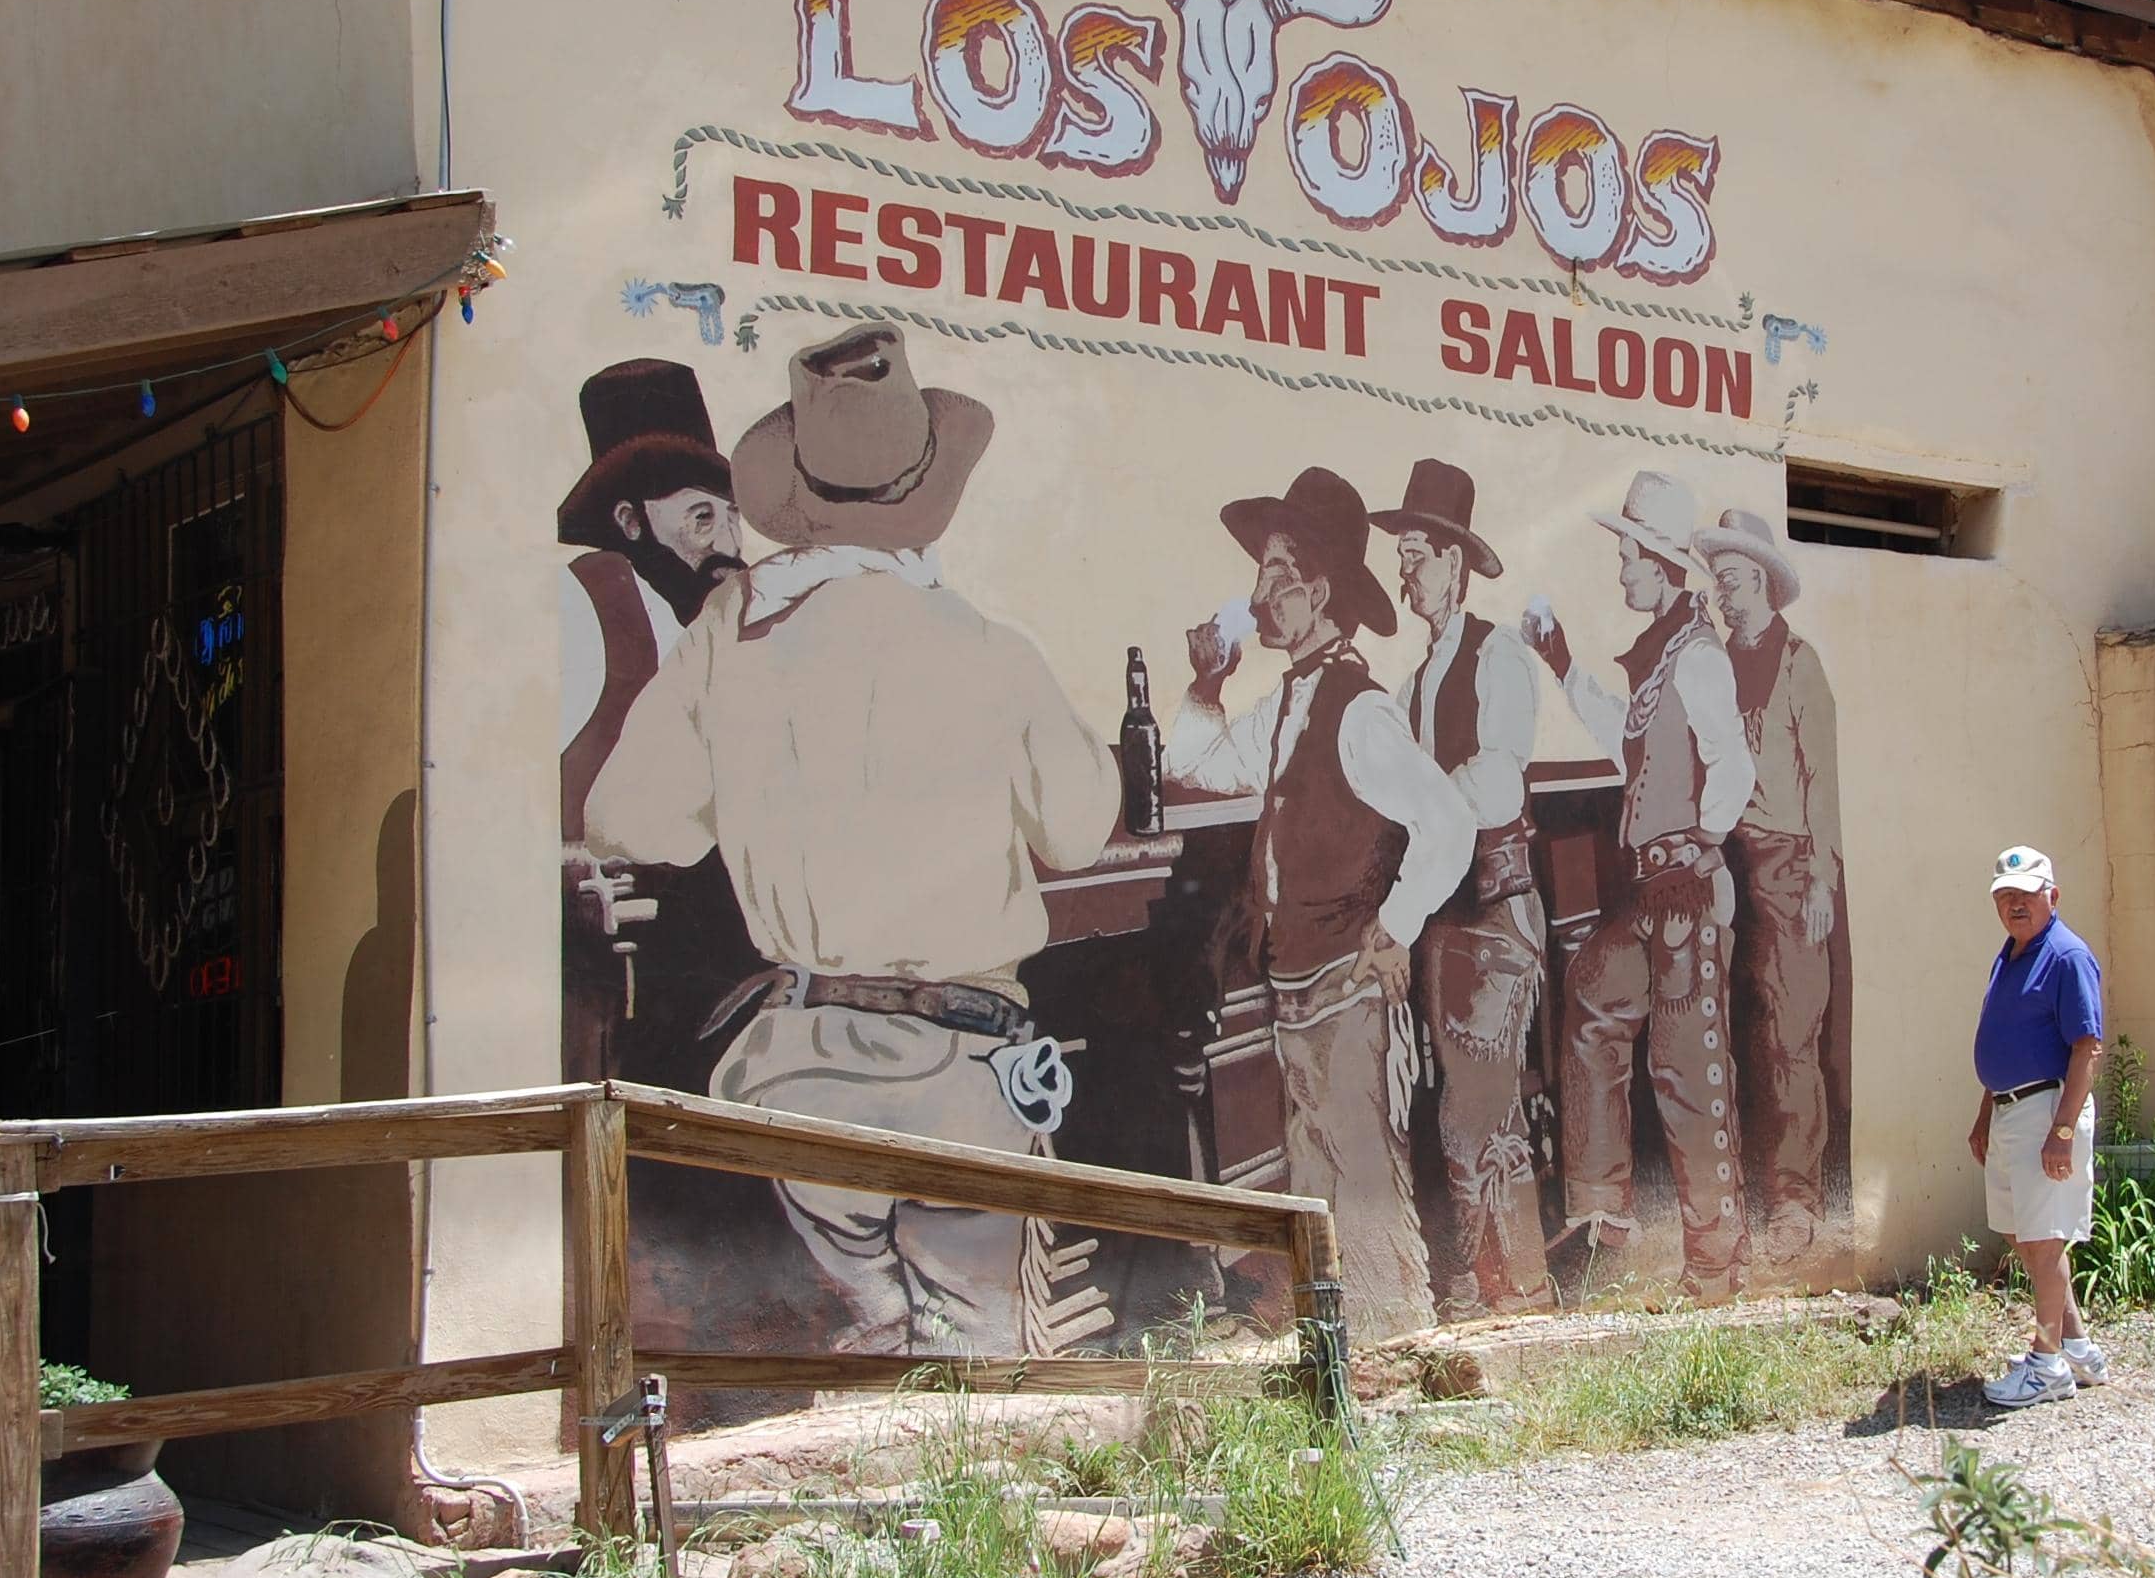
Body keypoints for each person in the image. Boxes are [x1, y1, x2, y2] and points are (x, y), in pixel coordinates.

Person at [584, 322, 1123, 1358]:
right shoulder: (987, 647)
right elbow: (1079, 827)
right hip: (965, 1070)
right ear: (924, 496)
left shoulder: (728, 642)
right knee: (976, 1350)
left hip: (798, 1076)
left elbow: (629, 820)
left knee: (871, 1335)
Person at [1165, 466, 1478, 1340]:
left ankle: (1404, 1348)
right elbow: (1205, 765)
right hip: (1297, 988)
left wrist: (1397, 924)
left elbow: (1448, 821)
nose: (1257, 595)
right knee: (1316, 1177)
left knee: (1364, 1184)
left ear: (1319, 591)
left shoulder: (1358, 711)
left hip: (1345, 986)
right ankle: (1340, 1356)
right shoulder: (1293, 700)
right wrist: (1205, 686)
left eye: (1274, 576)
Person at [1530, 470, 1758, 1301]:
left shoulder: (1696, 659)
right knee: (1593, 992)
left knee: (1688, 1071)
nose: (1622, 571)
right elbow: (1629, 745)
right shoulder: (1663, 657)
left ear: (1660, 568)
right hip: (1653, 892)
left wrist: (1701, 843)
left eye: (1629, 557)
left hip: (1687, 894)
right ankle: (1602, 1216)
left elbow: (1733, 760)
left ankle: (1714, 1255)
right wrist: (1561, 663)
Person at [1375, 458, 1558, 1318]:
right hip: (1442, 924)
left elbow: (1499, 785)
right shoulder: (1411, 685)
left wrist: (1425, 798)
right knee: (1455, 1114)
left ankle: (1514, 1299)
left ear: (1452, 560)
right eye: (1401, 556)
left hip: (1494, 909)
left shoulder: (1499, 656)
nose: (1403, 572)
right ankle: (1487, 1295)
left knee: (1475, 1118)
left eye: (1415, 554)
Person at [555, 359, 754, 1087]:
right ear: (631, 521)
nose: (730, 542)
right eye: (703, 516)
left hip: (727, 952)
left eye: (733, 516)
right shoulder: (586, 603)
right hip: (630, 959)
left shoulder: (725, 626)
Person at [1694, 508, 1843, 1267]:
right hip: (1729, 862)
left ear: (1760, 582)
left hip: (1790, 866)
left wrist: (1823, 873)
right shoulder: (1715, 662)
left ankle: (1795, 1202)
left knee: (1791, 1037)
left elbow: (1821, 774)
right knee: (1734, 1034)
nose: (1721, 594)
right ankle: (1746, 1198)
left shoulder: (1799, 663)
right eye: (1715, 581)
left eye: (1731, 580)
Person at [1968, 844, 2108, 1407]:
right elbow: (2003, 1038)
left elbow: (2088, 1047)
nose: (2014, 906)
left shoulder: (2067, 956)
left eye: (2024, 896)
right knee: (2022, 1234)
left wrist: (2064, 1131)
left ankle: (2046, 1365)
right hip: (2009, 1111)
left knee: (2044, 1245)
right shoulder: (2012, 952)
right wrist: (1984, 1114)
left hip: (2047, 1112)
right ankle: (2075, 1347)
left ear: (2052, 896)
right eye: (2004, 897)